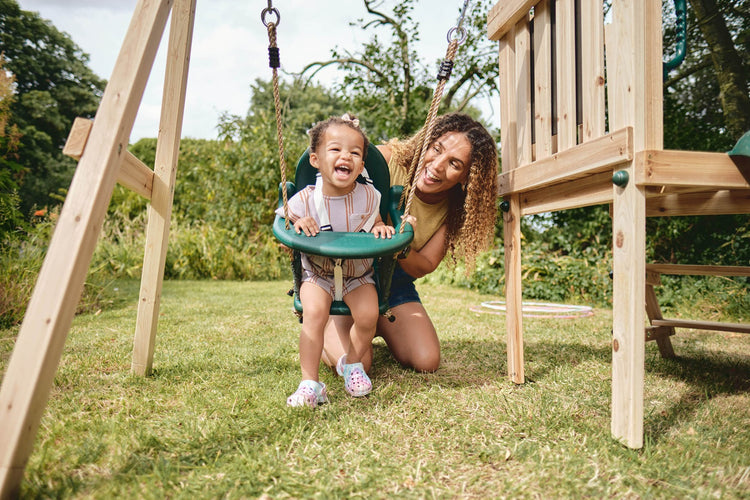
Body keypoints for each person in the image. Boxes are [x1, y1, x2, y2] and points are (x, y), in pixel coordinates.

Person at [322, 112, 498, 374]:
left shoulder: (455, 209)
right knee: (358, 364)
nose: (437, 165)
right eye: (436, 149)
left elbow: (424, 264)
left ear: (466, 177)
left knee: (426, 361)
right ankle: (324, 320)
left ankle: (378, 323)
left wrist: (401, 245)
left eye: (455, 164)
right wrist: (342, 136)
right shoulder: (386, 161)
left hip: (393, 286)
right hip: (347, 278)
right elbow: (327, 173)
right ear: (426, 143)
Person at [278, 114, 396, 408]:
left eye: (355, 153)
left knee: (369, 315)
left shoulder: (369, 195)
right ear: (316, 160)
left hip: (358, 275)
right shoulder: (305, 199)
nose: (346, 156)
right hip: (317, 275)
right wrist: (298, 222)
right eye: (336, 150)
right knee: (314, 315)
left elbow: (376, 219)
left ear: (361, 164)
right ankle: (309, 383)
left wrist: (381, 226)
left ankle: (352, 365)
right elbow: (284, 221)